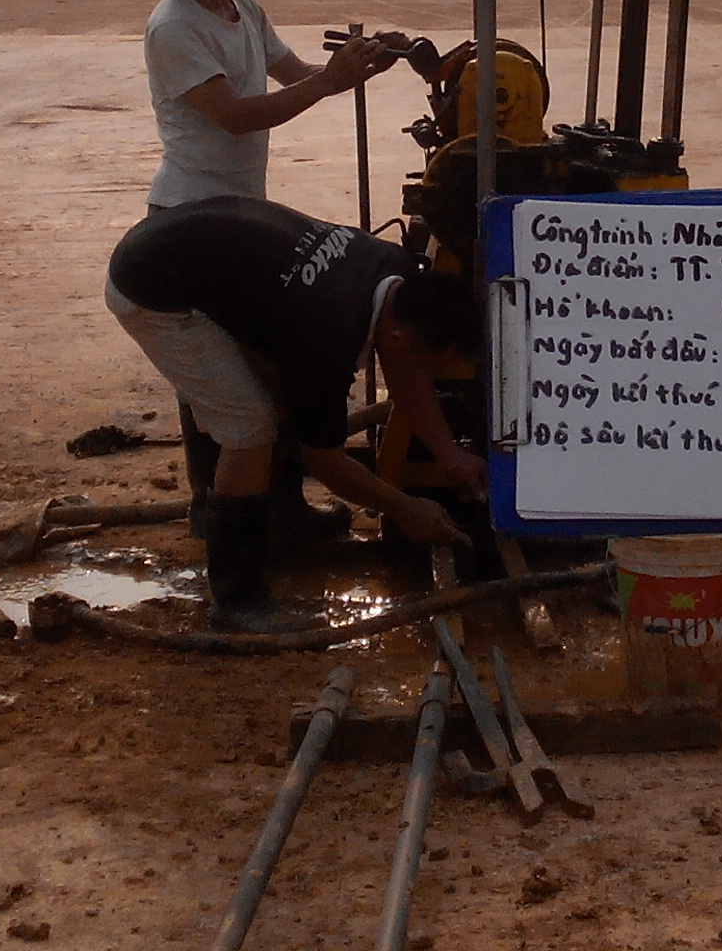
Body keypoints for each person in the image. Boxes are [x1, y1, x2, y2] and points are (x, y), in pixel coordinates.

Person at [138, 0, 401, 538]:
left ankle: (276, 507)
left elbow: (297, 76)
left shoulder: (247, 12)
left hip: (241, 217)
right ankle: (220, 511)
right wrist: (328, 84)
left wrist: (361, 65)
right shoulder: (174, 27)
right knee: (223, 379)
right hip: (191, 216)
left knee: (263, 363)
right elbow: (236, 115)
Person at [106, 196, 486, 631]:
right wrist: (405, 509)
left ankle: (282, 518)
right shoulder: (326, 340)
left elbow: (406, 366)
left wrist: (449, 453)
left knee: (280, 406)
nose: (429, 373)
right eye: (434, 362)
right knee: (250, 427)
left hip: (190, 243)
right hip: (151, 284)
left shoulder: (393, 267)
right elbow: (323, 460)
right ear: (401, 337)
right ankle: (238, 601)